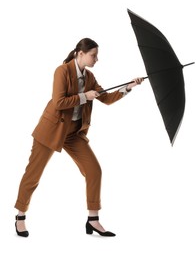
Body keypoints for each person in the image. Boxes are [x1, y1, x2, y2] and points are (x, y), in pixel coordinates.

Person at [14, 37, 144, 237]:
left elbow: (106, 99)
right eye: (94, 55)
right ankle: (20, 217)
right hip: (51, 131)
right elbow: (58, 102)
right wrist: (85, 96)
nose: (96, 59)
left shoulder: (90, 77)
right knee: (33, 174)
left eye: (97, 55)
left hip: (74, 133)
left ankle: (93, 220)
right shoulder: (62, 70)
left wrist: (129, 87)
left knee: (94, 170)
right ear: (80, 54)